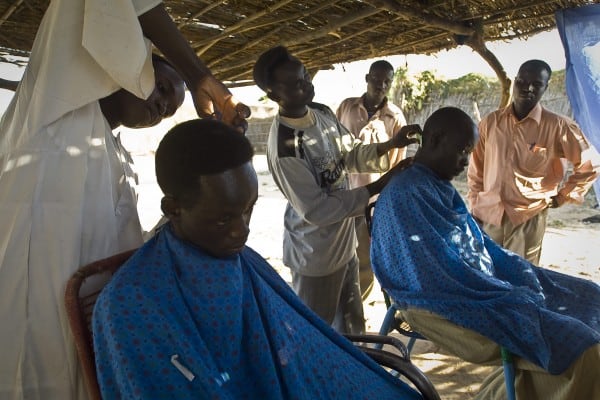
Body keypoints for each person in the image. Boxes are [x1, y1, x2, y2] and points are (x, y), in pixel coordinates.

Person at [0, 0, 249, 398]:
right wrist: (199, 75)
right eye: (163, 87)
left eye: (170, 110)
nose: (163, 105)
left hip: (82, 351)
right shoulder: (54, 106)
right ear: (124, 61)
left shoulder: (115, 159)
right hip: (25, 347)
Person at [92, 119, 423, 400]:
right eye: (224, 219)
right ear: (172, 208)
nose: (242, 230)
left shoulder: (241, 258)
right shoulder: (130, 304)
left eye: (248, 209)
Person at [371, 106, 600, 399]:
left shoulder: (437, 186)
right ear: (436, 139)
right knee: (584, 348)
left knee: (589, 295)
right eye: (462, 151)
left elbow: (476, 244)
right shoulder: (406, 193)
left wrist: (515, 273)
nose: (466, 161)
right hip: (442, 300)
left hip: (476, 281)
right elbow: (427, 275)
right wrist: (499, 289)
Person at [252, 46, 419, 334]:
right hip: (315, 253)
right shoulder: (285, 146)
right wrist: (380, 184)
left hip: (343, 245)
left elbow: (350, 154)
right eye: (296, 84)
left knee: (352, 323)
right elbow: (317, 209)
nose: (307, 84)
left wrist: (392, 145)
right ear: (274, 95)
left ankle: (353, 372)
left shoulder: (322, 114)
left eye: (305, 75)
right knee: (316, 331)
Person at [467, 59, 598, 264]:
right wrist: (475, 204)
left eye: (536, 84)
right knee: (485, 274)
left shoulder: (559, 126)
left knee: (521, 279)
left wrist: (563, 195)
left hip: (527, 218)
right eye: (522, 81)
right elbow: (477, 169)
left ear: (545, 88)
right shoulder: (490, 123)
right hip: (487, 215)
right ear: (514, 82)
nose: (527, 88)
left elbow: (591, 164)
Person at [336, 59, 407, 299]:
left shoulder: (395, 117)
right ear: (367, 78)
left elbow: (397, 163)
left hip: (372, 202)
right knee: (339, 255)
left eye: (387, 81)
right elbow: (334, 148)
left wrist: (387, 204)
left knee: (364, 260)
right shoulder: (346, 107)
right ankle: (341, 303)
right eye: (376, 79)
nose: (381, 85)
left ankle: (359, 305)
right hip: (341, 197)